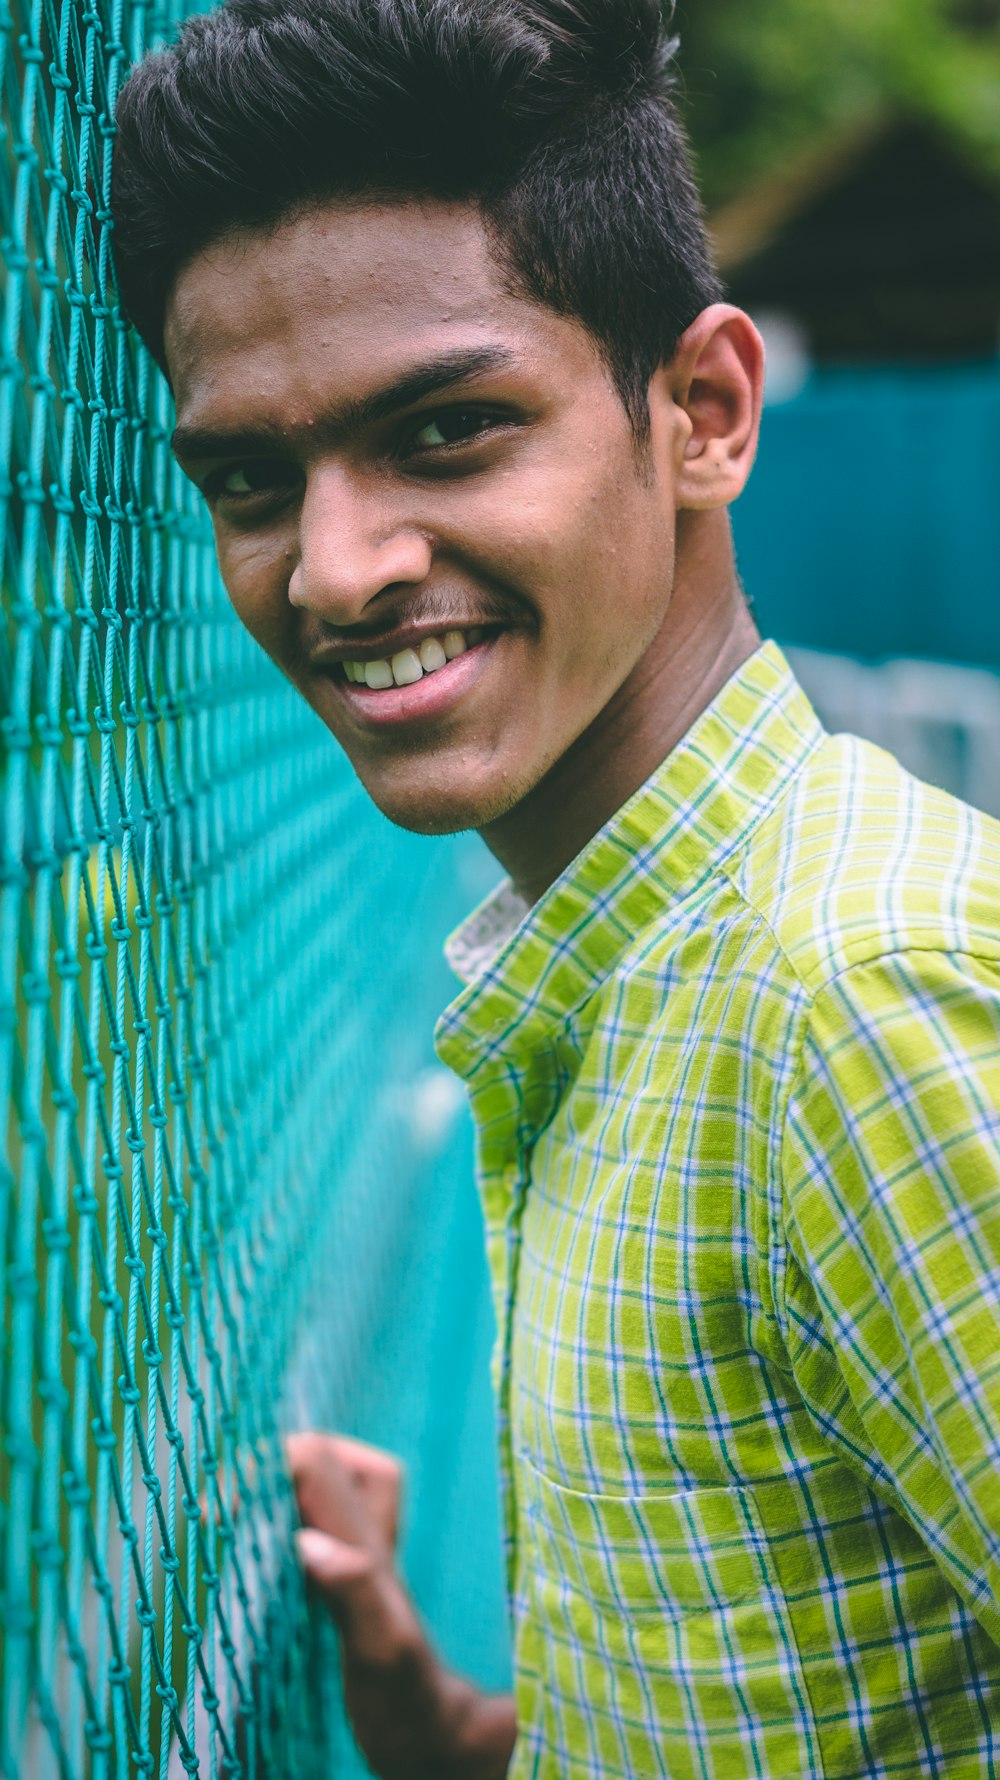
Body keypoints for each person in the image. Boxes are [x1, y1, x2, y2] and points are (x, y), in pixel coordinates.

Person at [110, 1, 1000, 1773]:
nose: (337, 569)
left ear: (704, 414)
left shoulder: (848, 999)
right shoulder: (617, 975)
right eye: (251, 479)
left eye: (446, 431)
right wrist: (449, 1724)